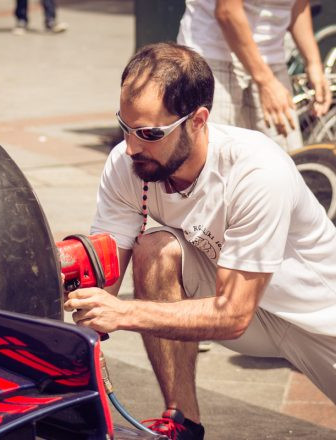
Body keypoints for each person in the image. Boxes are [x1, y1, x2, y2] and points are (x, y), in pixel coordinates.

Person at [64, 42, 336, 440]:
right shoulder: (130, 163)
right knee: (154, 249)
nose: (132, 146)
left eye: (150, 132)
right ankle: (182, 422)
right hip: (243, 309)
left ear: (198, 120)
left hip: (316, 315)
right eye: (124, 126)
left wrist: (122, 313)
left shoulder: (257, 171)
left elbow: (231, 315)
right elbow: (101, 280)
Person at [176, 0, 332, 152]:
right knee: (216, 155)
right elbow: (227, 11)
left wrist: (314, 64)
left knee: (287, 157)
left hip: (271, 60)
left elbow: (298, 5)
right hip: (213, 56)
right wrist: (267, 83)